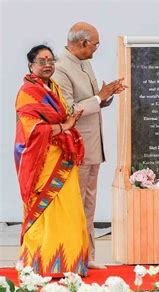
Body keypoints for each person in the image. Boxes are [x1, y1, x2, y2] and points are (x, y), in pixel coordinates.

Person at [53, 22, 126, 269]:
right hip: (76, 148)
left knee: (89, 204)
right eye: (95, 44)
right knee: (76, 204)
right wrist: (99, 97)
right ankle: (73, 257)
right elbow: (68, 111)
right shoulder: (60, 68)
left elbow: (94, 100)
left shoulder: (85, 62)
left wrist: (107, 95)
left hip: (94, 146)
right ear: (83, 43)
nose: (96, 48)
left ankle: (88, 256)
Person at [15, 45, 89, 276]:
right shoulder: (28, 92)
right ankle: (41, 263)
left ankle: (69, 264)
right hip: (43, 160)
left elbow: (62, 116)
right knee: (45, 209)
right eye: (41, 61)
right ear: (31, 65)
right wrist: (64, 126)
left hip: (63, 156)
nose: (47, 65)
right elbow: (32, 129)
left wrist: (69, 121)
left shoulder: (53, 87)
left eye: (50, 60)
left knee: (69, 208)